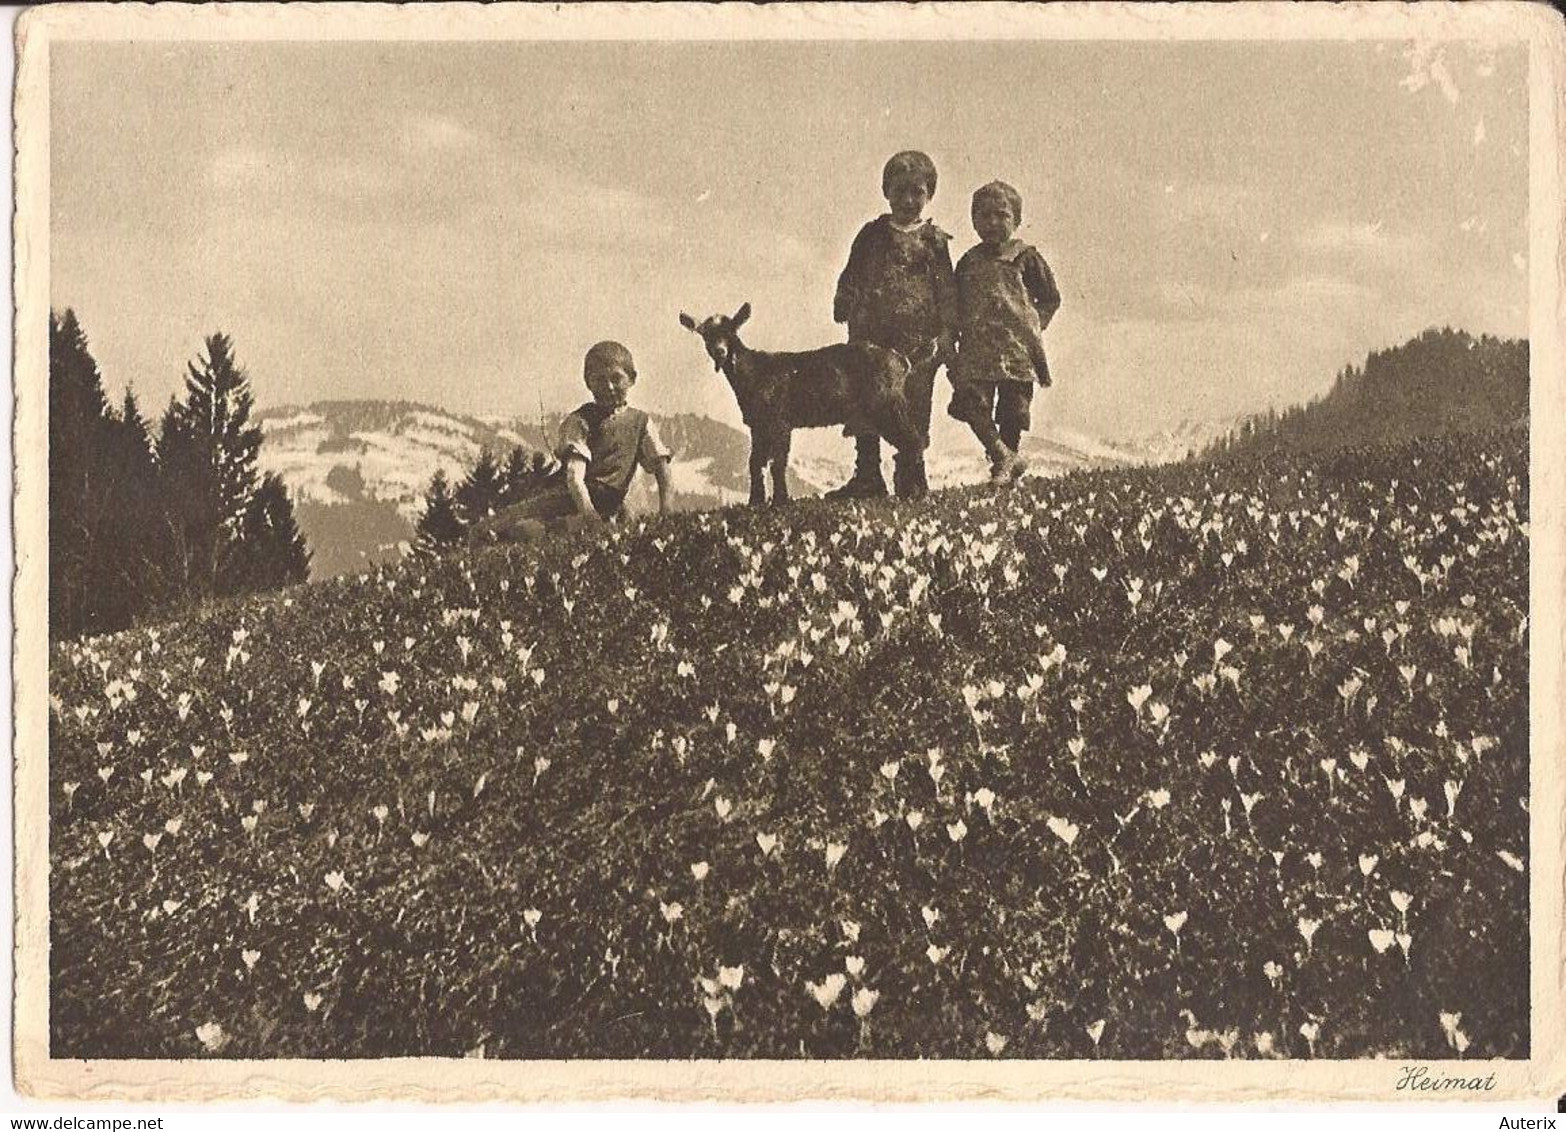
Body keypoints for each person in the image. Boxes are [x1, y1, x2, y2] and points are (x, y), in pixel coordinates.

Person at [829, 150, 957, 499]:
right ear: (886, 192)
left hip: (918, 343)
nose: (908, 200)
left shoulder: (935, 241)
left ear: (929, 195)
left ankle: (911, 476)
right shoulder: (871, 235)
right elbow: (851, 274)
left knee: (913, 406)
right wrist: (843, 300)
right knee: (866, 402)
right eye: (900, 191)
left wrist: (947, 331)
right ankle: (867, 474)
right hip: (871, 338)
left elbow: (946, 289)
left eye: (917, 192)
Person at [471, 341, 673, 544]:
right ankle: (488, 532)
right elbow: (575, 478)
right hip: (569, 497)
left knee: (542, 533)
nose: (609, 387)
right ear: (588, 383)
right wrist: (590, 515)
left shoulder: (640, 422)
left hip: (607, 502)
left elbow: (661, 467)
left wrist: (667, 511)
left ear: (632, 379)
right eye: (600, 380)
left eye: (616, 378)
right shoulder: (579, 421)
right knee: (507, 525)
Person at [948, 180, 1060, 484]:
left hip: (1016, 352)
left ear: (1017, 220)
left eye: (1002, 215)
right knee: (972, 403)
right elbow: (956, 303)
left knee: (1013, 410)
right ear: (973, 220)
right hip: (978, 350)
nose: (993, 223)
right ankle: (1000, 455)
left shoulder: (1027, 257)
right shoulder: (968, 262)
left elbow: (1050, 298)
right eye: (984, 216)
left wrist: (1034, 327)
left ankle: (1007, 466)